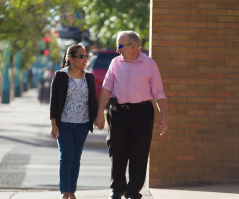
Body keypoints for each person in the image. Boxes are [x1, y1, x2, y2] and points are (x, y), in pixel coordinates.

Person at [95, 31, 168, 199]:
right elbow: (106, 89)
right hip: (118, 113)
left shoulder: (149, 64)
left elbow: (158, 93)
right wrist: (100, 114)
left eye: (120, 45)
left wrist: (164, 116)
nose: (117, 50)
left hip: (142, 113)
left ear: (133, 47)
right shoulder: (115, 63)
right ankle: (117, 190)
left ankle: (133, 191)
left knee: (139, 152)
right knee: (117, 151)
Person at [50, 44, 98, 199]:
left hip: (82, 124)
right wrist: (53, 124)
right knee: (66, 156)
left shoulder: (89, 77)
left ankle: (72, 191)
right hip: (64, 123)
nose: (85, 59)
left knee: (76, 157)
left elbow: (93, 100)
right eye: (81, 56)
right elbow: (54, 102)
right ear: (70, 58)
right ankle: (64, 191)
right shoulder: (60, 76)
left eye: (86, 56)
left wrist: (97, 117)